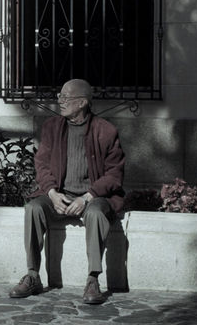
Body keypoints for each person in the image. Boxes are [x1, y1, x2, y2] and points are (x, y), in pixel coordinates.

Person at [8, 79, 125, 304]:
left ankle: (93, 279)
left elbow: (114, 174)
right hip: (59, 195)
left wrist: (88, 196)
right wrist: (51, 192)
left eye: (65, 97)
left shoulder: (106, 131)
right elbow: (41, 164)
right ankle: (33, 275)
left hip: (93, 197)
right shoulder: (52, 127)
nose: (59, 101)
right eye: (60, 96)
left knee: (96, 214)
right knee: (33, 208)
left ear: (82, 103)